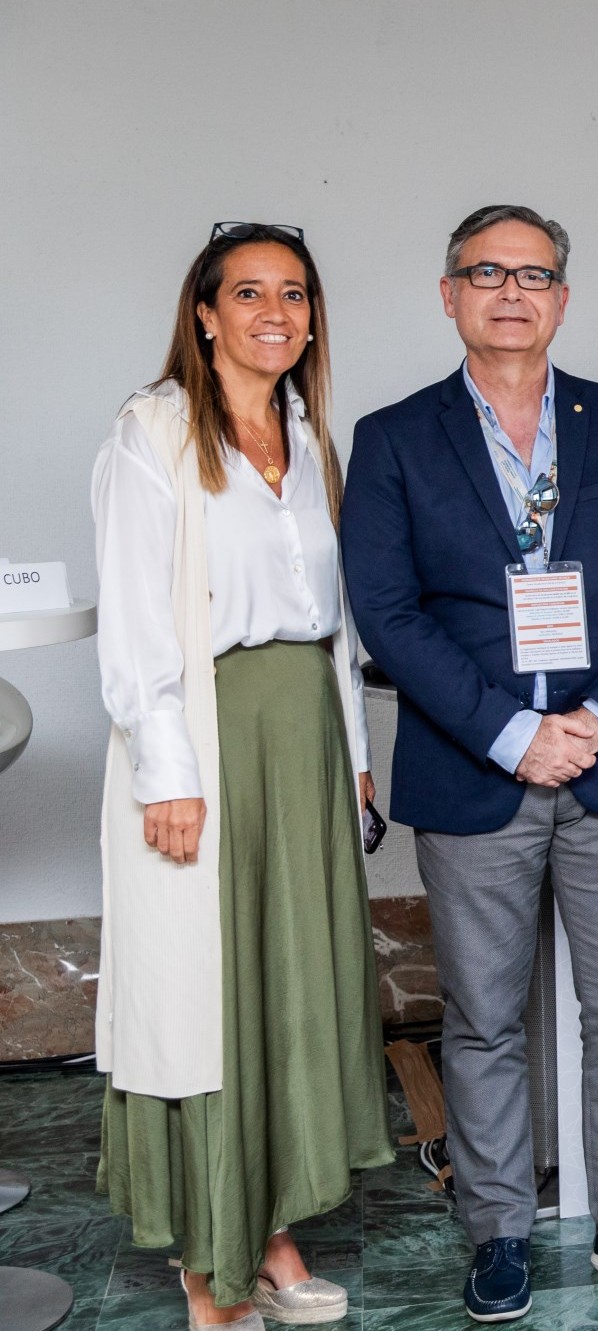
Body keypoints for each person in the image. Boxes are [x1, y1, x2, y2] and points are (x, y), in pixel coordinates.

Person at [341, 205, 598, 1318]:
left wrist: (594, 717)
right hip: (474, 770)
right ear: (448, 292)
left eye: (534, 274)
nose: (512, 291)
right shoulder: (394, 436)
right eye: (486, 272)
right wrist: (513, 731)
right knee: (484, 1017)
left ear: (561, 296)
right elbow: (389, 613)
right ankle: (497, 1227)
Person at [91, 222, 389, 1331]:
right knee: (206, 998)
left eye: (295, 293)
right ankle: (207, 1265)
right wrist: (165, 772)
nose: (276, 311)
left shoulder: (309, 436)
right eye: (249, 291)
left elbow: (337, 626)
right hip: (205, 738)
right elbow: (133, 621)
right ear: (204, 312)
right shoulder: (153, 431)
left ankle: (269, 1237)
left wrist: (355, 762)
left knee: (286, 987)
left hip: (302, 732)